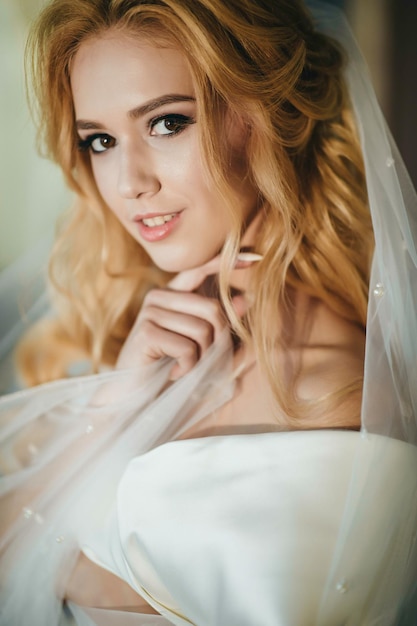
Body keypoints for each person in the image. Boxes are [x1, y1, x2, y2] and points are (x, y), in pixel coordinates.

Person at [0, 0, 416, 624]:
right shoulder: (147, 337)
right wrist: (117, 400)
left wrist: (77, 570)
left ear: (268, 115)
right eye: (102, 140)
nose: (129, 181)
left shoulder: (334, 396)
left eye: (167, 123)